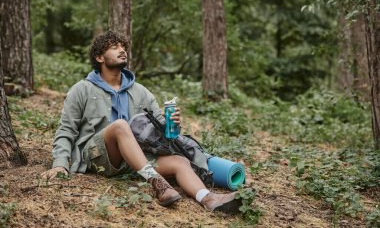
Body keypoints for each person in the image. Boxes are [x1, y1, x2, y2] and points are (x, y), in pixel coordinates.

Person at [42, 31, 241, 213]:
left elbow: (160, 127)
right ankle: (158, 184)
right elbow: (66, 130)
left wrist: (173, 124)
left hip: (134, 159)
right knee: (121, 126)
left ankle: (208, 199)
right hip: (98, 157)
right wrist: (60, 164)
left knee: (179, 162)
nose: (122, 51)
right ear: (99, 57)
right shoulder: (82, 89)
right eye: (114, 47)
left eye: (123, 47)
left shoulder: (140, 91)